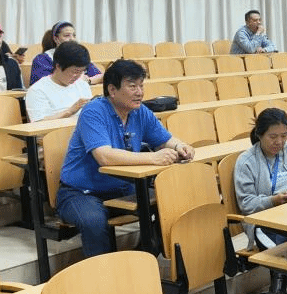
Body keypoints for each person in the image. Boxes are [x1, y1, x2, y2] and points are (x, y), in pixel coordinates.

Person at [57, 60, 194, 258]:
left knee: (172, 200)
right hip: (80, 192)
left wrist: (180, 146)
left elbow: (164, 140)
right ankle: (104, 274)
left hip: (122, 187)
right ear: (112, 90)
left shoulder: (139, 111)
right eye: (132, 86)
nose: (139, 92)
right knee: (94, 221)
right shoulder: (93, 112)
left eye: (141, 86)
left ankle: (141, 257)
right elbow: (104, 156)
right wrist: (153, 158)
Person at [233, 109, 287, 294]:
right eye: (273, 136)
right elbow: (246, 204)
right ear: (260, 134)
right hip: (262, 222)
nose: (279, 142)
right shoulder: (247, 161)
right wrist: (272, 201)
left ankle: (280, 287)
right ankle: (282, 286)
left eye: (284, 136)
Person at [25, 41, 94, 122]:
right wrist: (69, 112)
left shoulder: (82, 85)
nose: (78, 76)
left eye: (82, 71)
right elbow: (39, 124)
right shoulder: (37, 90)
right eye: (75, 71)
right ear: (58, 66)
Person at [28, 20, 103, 86]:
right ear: (56, 39)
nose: (72, 39)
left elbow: (101, 77)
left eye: (74, 35)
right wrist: (80, 80)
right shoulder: (42, 59)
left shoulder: (80, 56)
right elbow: (43, 84)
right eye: (67, 36)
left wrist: (88, 80)